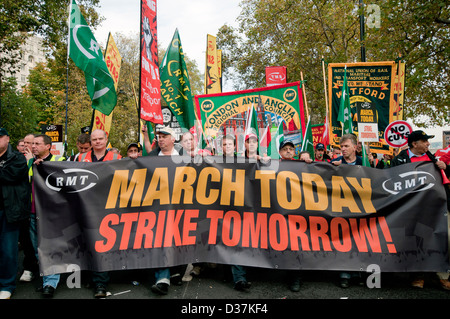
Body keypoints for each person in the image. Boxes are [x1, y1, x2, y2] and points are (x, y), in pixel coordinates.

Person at [391, 130, 450, 291]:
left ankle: (443, 276)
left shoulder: (433, 158)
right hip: (413, 209)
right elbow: (391, 182)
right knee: (418, 240)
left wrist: (446, 167)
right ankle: (419, 275)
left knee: (443, 238)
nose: (428, 144)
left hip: (437, 208)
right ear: (414, 144)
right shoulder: (400, 160)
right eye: (424, 141)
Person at [78, 129, 121, 298]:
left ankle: (100, 283)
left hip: (108, 208)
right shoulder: (80, 158)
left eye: (100, 139)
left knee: (103, 245)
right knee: (87, 243)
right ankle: (91, 277)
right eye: (94, 139)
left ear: (106, 139)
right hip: (87, 207)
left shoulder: (117, 158)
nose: (97, 141)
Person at [147, 126, 185, 295]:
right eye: (159, 136)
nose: (160, 139)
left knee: (179, 239)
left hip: (181, 207)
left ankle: (176, 270)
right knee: (160, 239)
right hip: (158, 208)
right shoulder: (150, 158)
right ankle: (162, 278)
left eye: (164, 136)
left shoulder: (185, 156)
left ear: (173, 139)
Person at [28, 134, 65, 297]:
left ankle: (50, 282)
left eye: (37, 143)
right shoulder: (29, 162)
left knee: (50, 248)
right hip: (32, 212)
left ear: (48, 146)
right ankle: (47, 280)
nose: (33, 146)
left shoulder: (60, 159)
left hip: (51, 214)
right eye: (33, 143)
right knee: (39, 250)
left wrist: (46, 167)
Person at [0, 128, 31, 299]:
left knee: (8, 250)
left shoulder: (18, 158)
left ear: (7, 139)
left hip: (9, 211)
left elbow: (9, 176)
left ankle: (7, 285)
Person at [330, 134, 363, 287]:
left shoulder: (365, 163)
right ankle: (344, 274)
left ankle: (357, 273)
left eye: (346, 146)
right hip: (341, 208)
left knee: (359, 240)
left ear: (355, 147)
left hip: (362, 208)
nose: (342, 149)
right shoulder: (334, 163)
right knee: (344, 240)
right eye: (341, 146)